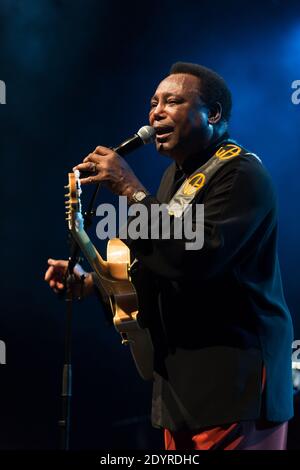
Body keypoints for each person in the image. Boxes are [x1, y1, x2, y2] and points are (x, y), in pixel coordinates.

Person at [45, 62, 294, 450]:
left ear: (212, 114)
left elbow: (198, 257)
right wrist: (94, 282)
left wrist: (129, 187)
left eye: (173, 101)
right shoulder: (173, 178)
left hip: (234, 385)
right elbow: (159, 263)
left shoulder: (241, 173)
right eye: (153, 102)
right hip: (181, 388)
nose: (156, 112)